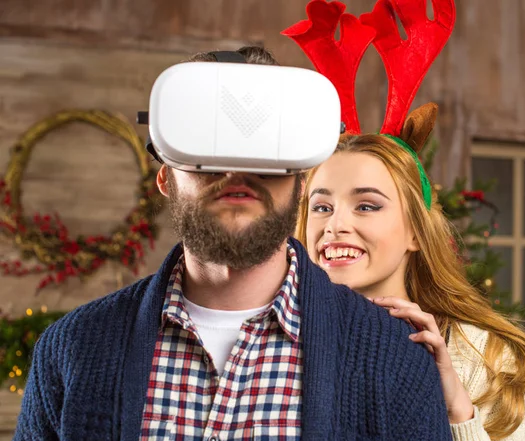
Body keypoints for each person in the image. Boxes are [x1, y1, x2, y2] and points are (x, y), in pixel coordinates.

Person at [14, 47, 452, 441]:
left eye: (264, 154)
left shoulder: (393, 357)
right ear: (164, 176)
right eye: (207, 146)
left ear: (301, 181)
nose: (236, 173)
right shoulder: (72, 348)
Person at [295, 103, 525, 440]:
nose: (335, 226)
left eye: (366, 206)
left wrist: (456, 405)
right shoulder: (279, 333)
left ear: (414, 231)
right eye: (322, 207)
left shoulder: (483, 355)